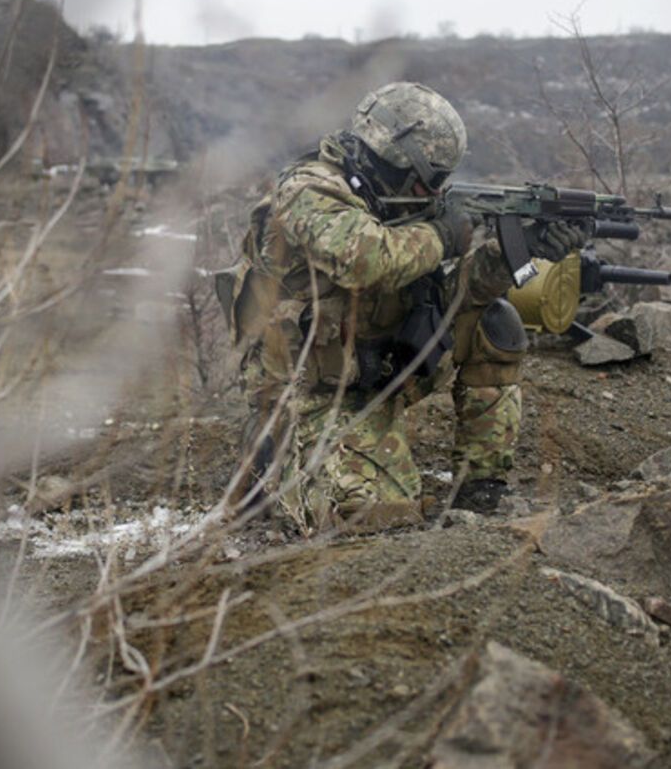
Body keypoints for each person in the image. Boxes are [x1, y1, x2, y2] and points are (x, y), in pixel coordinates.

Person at [223, 82, 586, 532]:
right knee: (371, 520)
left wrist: (521, 250)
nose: (435, 191)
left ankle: (481, 486)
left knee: (494, 322)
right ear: (392, 160)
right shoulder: (308, 190)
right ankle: (270, 454)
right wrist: (445, 234)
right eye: (430, 179)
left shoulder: (396, 199)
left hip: (380, 360)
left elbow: (454, 293)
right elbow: (366, 261)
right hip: (311, 389)